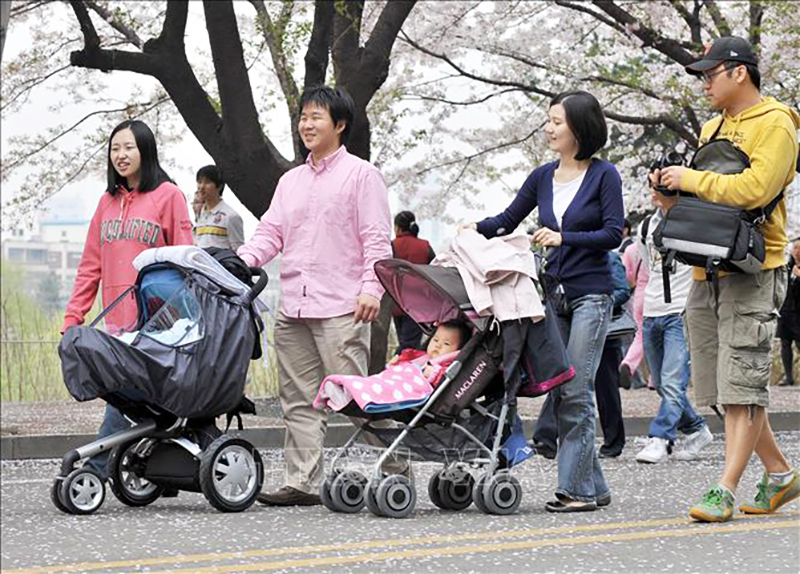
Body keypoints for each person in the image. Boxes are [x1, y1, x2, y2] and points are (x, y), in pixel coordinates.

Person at [237, 85, 405, 506]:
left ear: (340, 124)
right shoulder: (289, 181)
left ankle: (397, 468)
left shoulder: (362, 176)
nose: (306, 125)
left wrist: (371, 288)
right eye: (303, 117)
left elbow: (375, 241)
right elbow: (270, 232)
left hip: (341, 306)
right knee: (296, 399)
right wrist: (242, 262)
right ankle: (302, 481)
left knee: (355, 398)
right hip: (293, 305)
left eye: (316, 117)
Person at [654, 36, 800, 522]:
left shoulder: (777, 123)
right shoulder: (714, 126)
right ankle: (780, 475)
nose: (704, 84)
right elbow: (709, 197)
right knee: (721, 388)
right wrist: (671, 199)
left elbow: (756, 189)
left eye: (710, 74)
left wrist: (690, 180)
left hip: (754, 269)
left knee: (743, 383)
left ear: (740, 72)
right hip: (706, 266)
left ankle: (725, 489)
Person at [467, 90, 624, 512]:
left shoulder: (604, 175)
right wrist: (472, 229)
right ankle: (596, 486)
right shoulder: (542, 177)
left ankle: (576, 491)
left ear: (579, 127)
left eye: (557, 121)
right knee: (563, 389)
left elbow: (614, 233)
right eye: (548, 121)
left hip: (593, 295)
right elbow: (507, 220)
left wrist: (563, 236)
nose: (549, 128)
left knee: (575, 390)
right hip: (554, 299)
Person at [61, 119, 194, 481]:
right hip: (115, 322)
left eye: (129, 147)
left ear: (145, 151)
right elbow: (90, 266)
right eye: (115, 148)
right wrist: (74, 317)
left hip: (158, 323)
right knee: (131, 397)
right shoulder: (106, 203)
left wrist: (178, 318)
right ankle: (155, 469)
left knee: (123, 396)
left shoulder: (169, 196)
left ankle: (93, 472)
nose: (121, 155)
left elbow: (186, 261)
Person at [634, 188, 712, 464]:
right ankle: (697, 429)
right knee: (665, 385)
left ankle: (661, 438)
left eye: (662, 186)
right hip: (652, 312)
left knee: (671, 381)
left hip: (680, 311)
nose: (654, 191)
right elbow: (648, 266)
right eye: (653, 185)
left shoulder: (694, 225)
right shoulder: (646, 226)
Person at [391, 210, 436, 353]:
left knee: (405, 343)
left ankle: (397, 368)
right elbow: (434, 272)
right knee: (410, 345)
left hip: (396, 303)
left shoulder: (391, 246)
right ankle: (402, 368)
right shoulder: (425, 247)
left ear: (397, 227)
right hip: (418, 305)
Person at [193, 165, 245, 251]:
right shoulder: (200, 214)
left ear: (219, 186)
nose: (202, 187)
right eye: (199, 182)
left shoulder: (230, 216)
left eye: (207, 182)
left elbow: (238, 250)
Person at [777, 238, 799, 386]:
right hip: (785, 311)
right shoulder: (786, 266)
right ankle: (788, 377)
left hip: (799, 312)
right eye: (795, 248)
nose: (797, 251)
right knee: (785, 343)